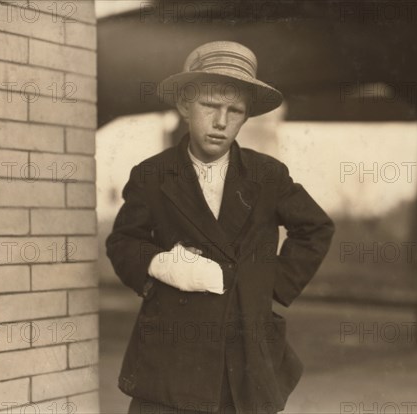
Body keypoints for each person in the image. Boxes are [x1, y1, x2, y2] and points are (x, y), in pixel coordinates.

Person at [106, 41, 334, 414]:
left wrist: (268, 285)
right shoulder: (151, 174)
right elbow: (123, 241)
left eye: (235, 110)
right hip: (170, 357)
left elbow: (316, 228)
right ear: (184, 105)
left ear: (246, 117)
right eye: (209, 106)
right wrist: (161, 264)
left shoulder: (267, 175)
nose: (221, 122)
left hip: (244, 356)